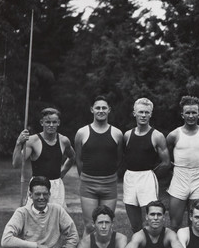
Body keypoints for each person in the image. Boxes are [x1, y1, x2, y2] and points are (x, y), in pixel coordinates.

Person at [166, 96, 199, 230]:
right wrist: (175, 169)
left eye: (194, 112)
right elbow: (165, 160)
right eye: (187, 112)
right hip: (179, 179)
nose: (190, 115)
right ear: (182, 114)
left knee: (197, 222)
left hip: (198, 179)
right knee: (175, 224)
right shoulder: (173, 135)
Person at [75, 96, 123, 236]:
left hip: (109, 184)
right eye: (97, 108)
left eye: (104, 108)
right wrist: (84, 177)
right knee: (90, 226)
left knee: (105, 225)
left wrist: (111, 174)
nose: (101, 110)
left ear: (109, 110)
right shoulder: (82, 133)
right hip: (88, 184)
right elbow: (78, 159)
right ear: (92, 110)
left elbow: (119, 159)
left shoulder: (117, 133)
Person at [123, 98, 170, 233]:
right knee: (135, 223)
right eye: (140, 112)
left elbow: (166, 163)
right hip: (130, 177)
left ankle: (155, 247)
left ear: (151, 114)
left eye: (146, 112)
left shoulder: (157, 136)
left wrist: (152, 175)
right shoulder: (127, 135)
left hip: (147, 177)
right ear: (134, 113)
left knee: (153, 219)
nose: (143, 115)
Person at [12, 107, 75, 207]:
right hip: (37, 186)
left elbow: (72, 157)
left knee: (56, 218)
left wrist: (62, 173)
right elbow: (16, 164)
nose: (51, 125)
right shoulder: (32, 141)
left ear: (58, 123)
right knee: (34, 217)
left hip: (56, 187)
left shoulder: (64, 140)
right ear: (42, 122)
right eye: (48, 122)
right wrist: (18, 143)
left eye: (54, 122)